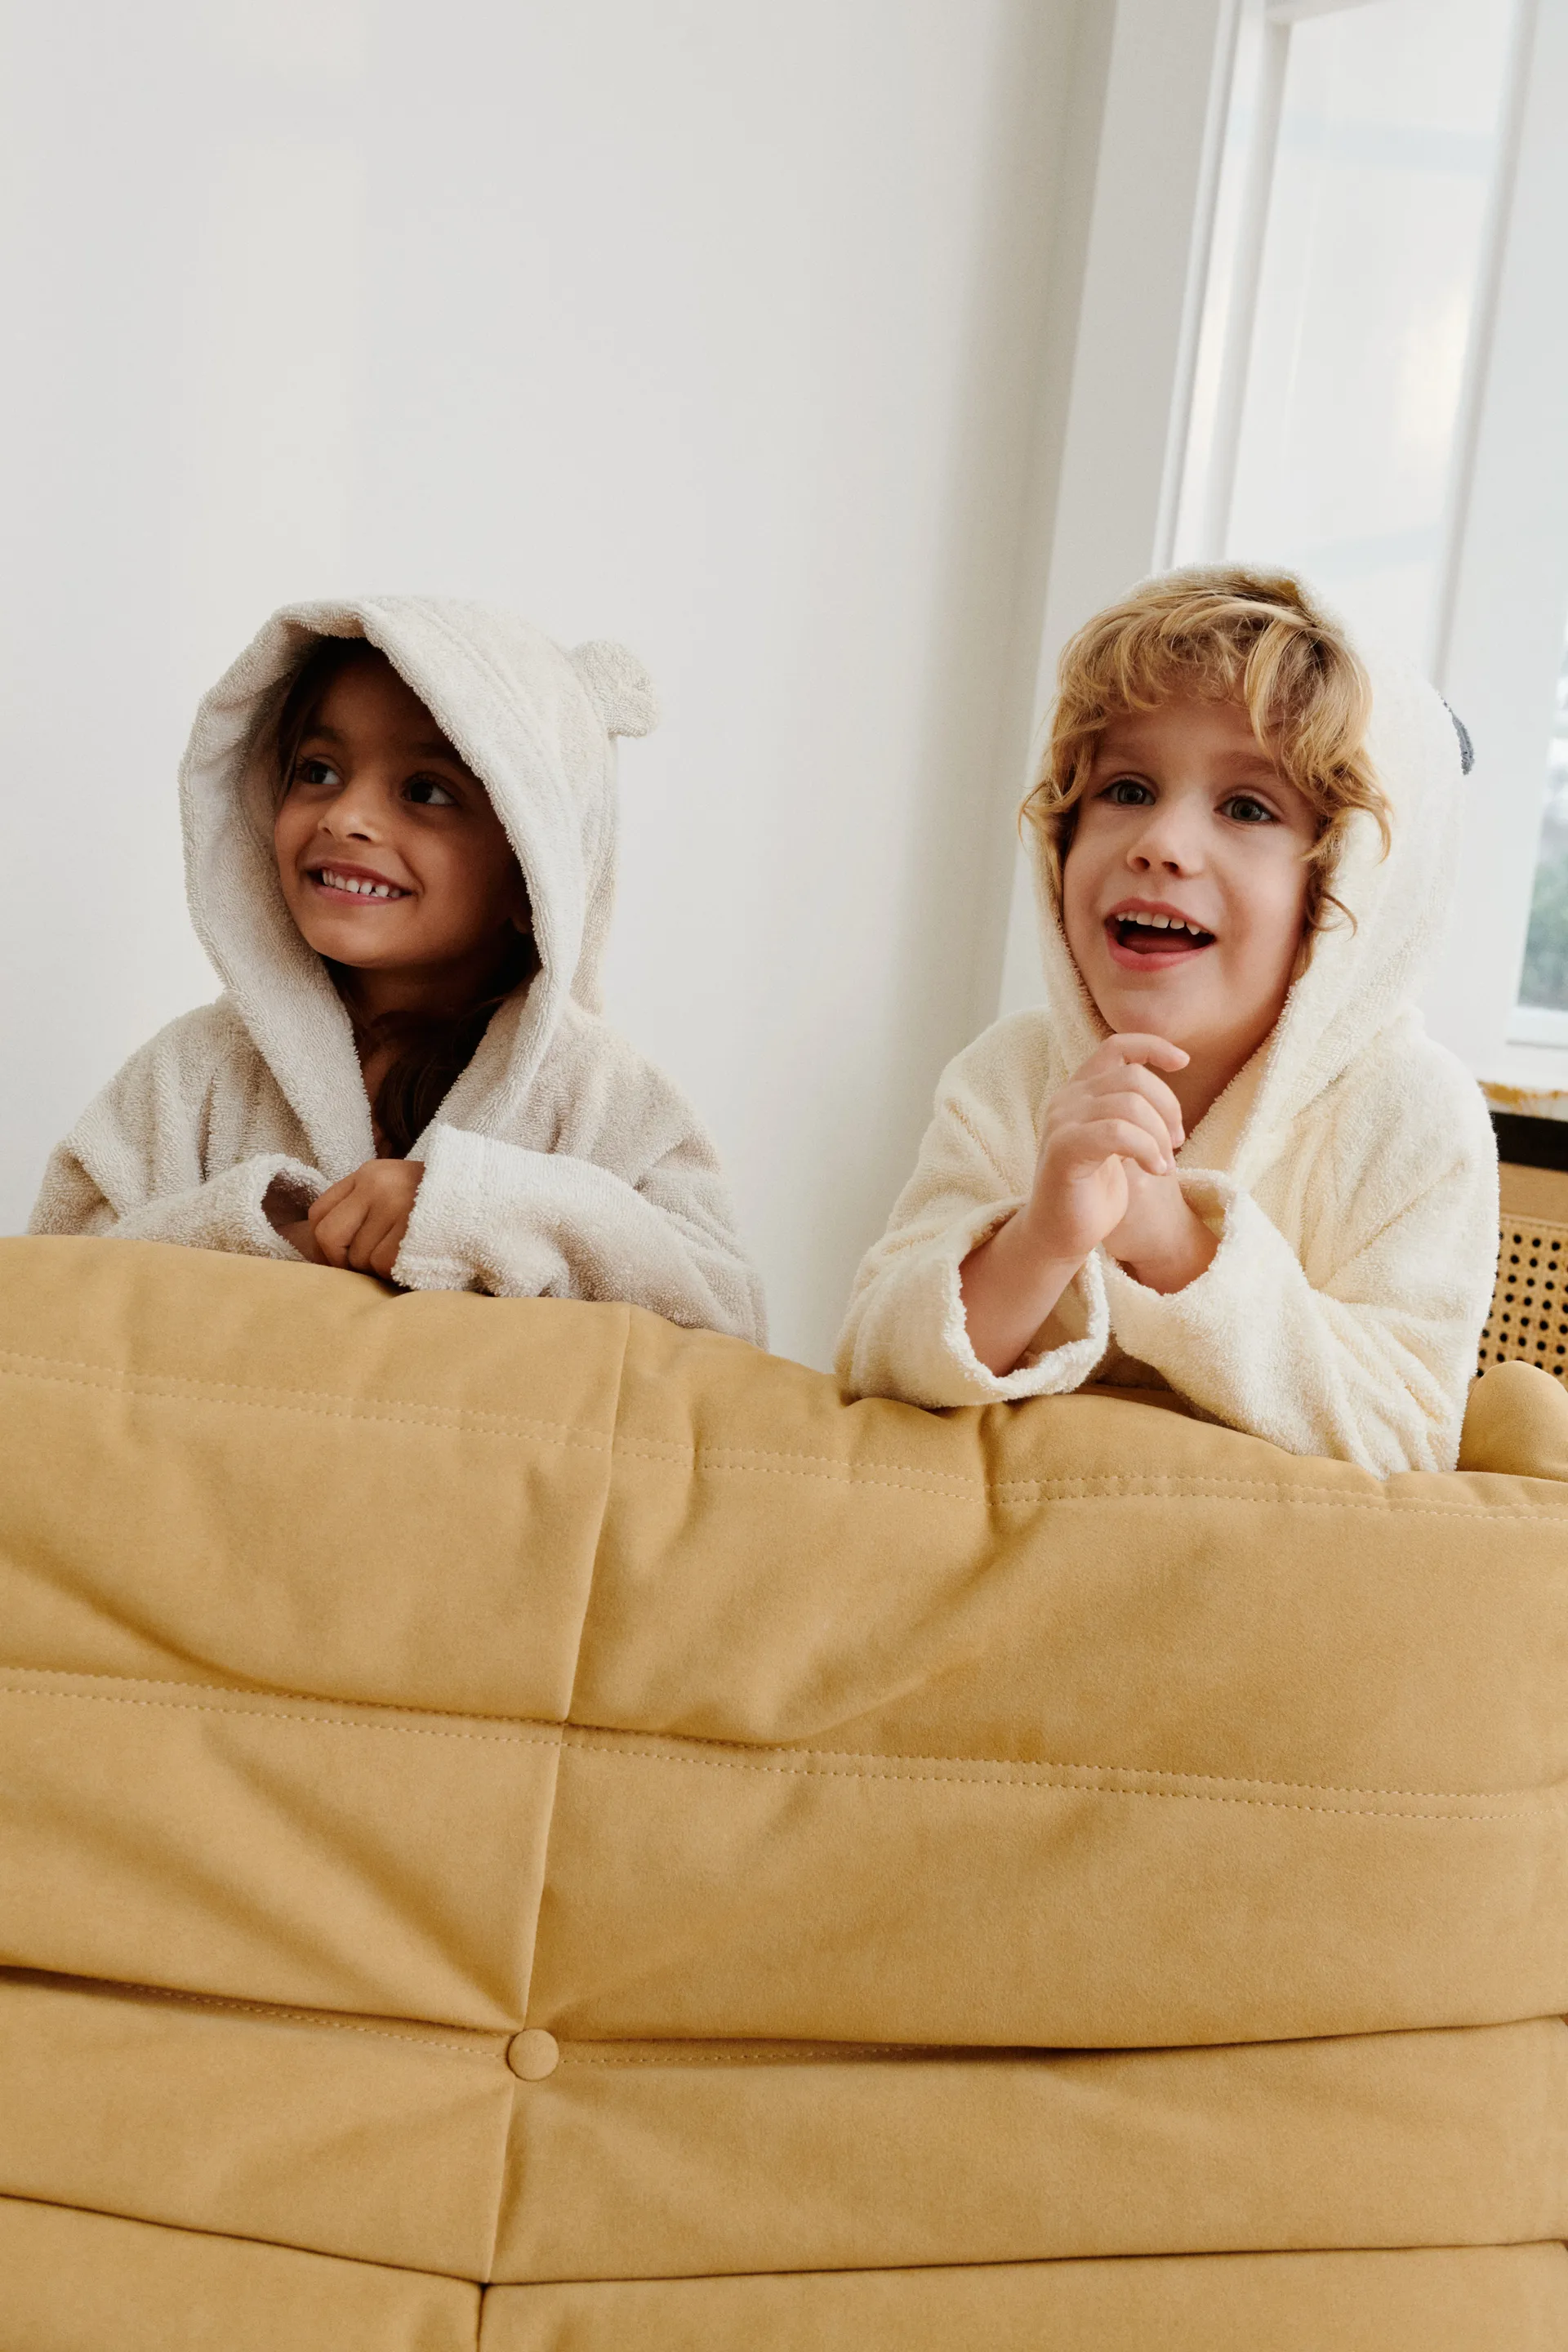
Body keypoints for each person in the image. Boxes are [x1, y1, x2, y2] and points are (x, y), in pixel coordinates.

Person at [835, 567, 1497, 1473]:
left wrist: (1179, 1247)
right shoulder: (1012, 1077)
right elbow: (875, 1364)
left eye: (1247, 807)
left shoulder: (1413, 1118)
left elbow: (1408, 1440)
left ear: (1349, 884)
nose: (1161, 844)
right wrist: (1041, 1240)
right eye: (1128, 790)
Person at [32, 596, 765, 1343]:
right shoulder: (192, 1075)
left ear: (532, 876)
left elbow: (724, 1321)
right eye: (318, 771)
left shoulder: (603, 1099)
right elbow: (48, 1289)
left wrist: (473, 1212)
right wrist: (275, 1230)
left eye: (426, 791)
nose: (345, 816)